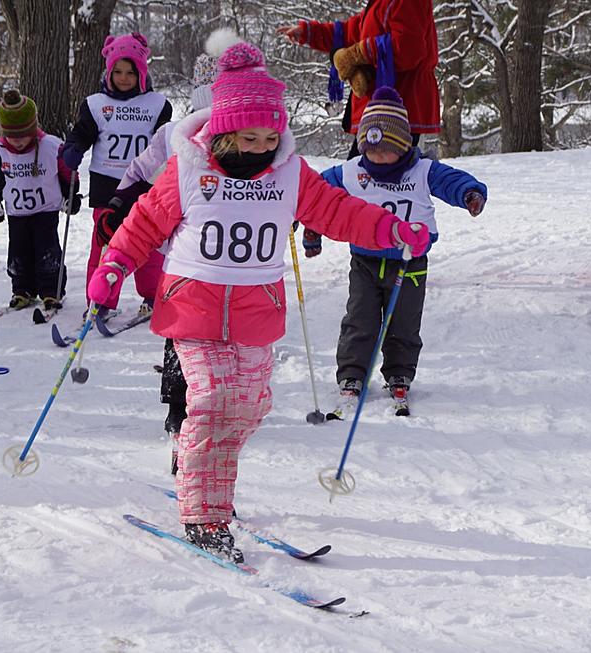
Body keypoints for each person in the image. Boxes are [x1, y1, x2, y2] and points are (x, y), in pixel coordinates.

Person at [86, 43, 429, 562]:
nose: (262, 147)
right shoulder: (187, 170)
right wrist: (112, 269)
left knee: (248, 406)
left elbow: (339, 212)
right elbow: (143, 224)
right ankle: (204, 515)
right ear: (223, 132)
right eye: (250, 138)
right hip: (192, 306)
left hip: (256, 311)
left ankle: (203, 476)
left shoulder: (290, 174)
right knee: (211, 401)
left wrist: (391, 228)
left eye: (271, 137)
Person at [96, 27, 241, 474]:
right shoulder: (176, 135)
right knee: (184, 337)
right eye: (208, 100)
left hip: (239, 269)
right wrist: (119, 204)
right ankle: (180, 417)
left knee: (229, 344)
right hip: (186, 261)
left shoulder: (256, 138)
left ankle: (219, 419)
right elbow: (140, 171)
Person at [304, 87, 486, 415]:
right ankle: (351, 375)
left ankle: (399, 371)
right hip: (365, 260)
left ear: (403, 146)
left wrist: (470, 194)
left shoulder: (422, 170)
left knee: (403, 321)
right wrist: (311, 228)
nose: (377, 158)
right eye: (371, 150)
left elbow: (452, 181)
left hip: (410, 261)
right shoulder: (353, 170)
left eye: (386, 151)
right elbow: (317, 195)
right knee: (359, 320)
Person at [61, 31, 173, 321]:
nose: (124, 78)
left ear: (142, 74)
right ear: (108, 72)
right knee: (104, 246)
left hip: (143, 186)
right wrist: (73, 148)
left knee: (147, 246)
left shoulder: (157, 105)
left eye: (131, 73)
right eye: (118, 72)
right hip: (106, 187)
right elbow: (82, 132)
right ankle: (99, 301)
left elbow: (166, 141)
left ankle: (152, 296)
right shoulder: (95, 104)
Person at [277, 0, 440, 158]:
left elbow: (407, 48)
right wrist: (309, 33)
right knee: (364, 177)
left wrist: (358, 53)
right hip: (381, 109)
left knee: (371, 178)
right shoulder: (380, 3)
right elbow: (351, 32)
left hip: (399, 108)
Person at [0, 89, 73, 311]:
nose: (17, 142)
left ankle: (51, 290)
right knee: (18, 252)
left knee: (47, 251)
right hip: (16, 212)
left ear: (32, 129)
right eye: (12, 136)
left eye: (23, 135)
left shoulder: (50, 146)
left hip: (45, 209)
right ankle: (21, 289)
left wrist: (71, 195)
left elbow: (67, 172)